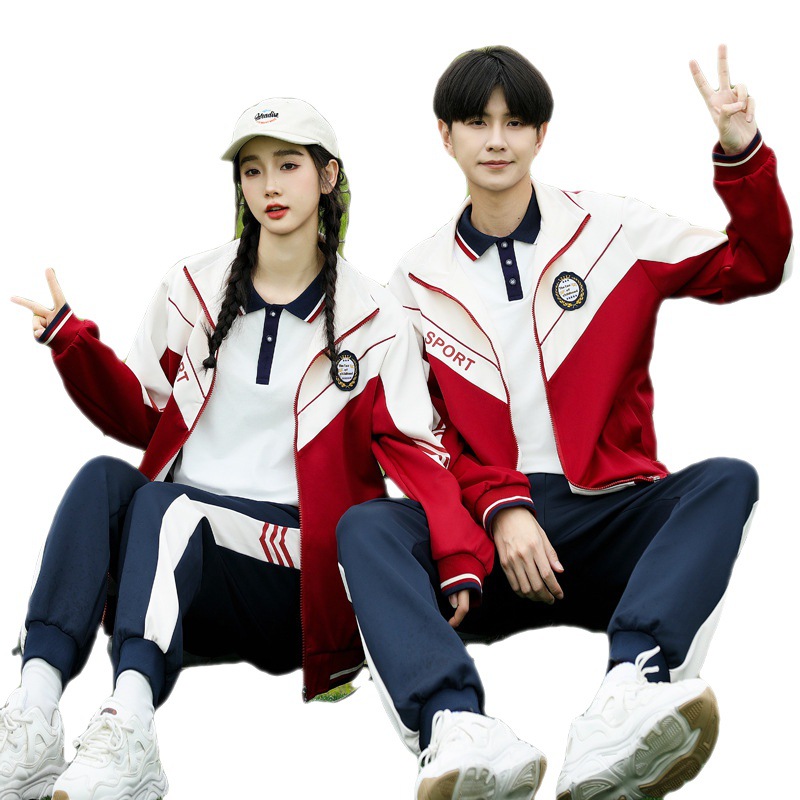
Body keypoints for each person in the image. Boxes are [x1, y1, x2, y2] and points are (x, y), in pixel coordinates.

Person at [0, 97, 491, 800]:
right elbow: (145, 417)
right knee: (103, 480)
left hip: (292, 578)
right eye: (253, 170)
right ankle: (32, 713)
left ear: (327, 177)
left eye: (288, 166)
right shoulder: (194, 285)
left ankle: (129, 725)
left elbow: (420, 452)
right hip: (181, 567)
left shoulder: (375, 316)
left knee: (166, 505)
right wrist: (73, 342)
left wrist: (458, 556)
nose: (269, 186)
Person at [336, 45, 793, 800]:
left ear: (541, 134)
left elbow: (756, 263)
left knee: (725, 480)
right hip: (487, 549)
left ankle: (632, 689)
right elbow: (418, 438)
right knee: (366, 527)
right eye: (476, 122)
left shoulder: (613, 230)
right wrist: (500, 508)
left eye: (515, 122)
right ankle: (457, 729)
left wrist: (741, 150)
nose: (496, 140)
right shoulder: (413, 281)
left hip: (607, 518)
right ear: (444, 135)